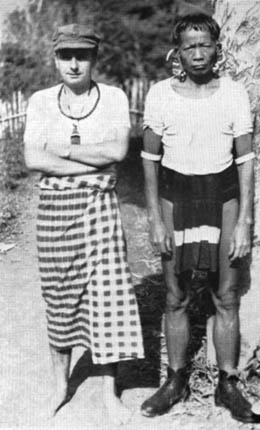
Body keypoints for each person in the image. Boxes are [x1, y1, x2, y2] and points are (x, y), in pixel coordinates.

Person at [140, 11, 260, 423]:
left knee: (226, 295)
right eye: (189, 46)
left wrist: (245, 220)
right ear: (178, 51)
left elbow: (245, 159)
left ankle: (228, 385)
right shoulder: (159, 94)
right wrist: (155, 218)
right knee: (175, 294)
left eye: (204, 45)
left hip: (222, 197)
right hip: (176, 197)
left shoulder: (234, 93)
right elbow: (149, 158)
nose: (197, 54)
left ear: (217, 49)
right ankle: (176, 380)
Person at [24, 23, 144, 426]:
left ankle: (110, 392)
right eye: (65, 55)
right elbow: (32, 159)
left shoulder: (111, 97)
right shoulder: (41, 101)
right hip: (55, 211)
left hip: (100, 208)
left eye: (82, 55)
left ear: (95, 58)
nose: (74, 64)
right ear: (55, 58)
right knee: (59, 299)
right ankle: (60, 386)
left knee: (106, 297)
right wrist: (88, 161)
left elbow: (118, 151)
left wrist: (60, 148)